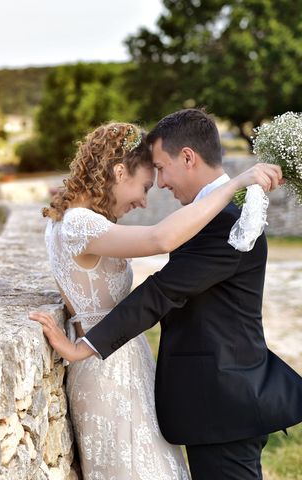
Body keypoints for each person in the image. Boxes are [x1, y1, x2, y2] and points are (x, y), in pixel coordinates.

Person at [29, 114, 287, 480]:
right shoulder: (80, 223)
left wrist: (84, 345)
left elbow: (162, 290)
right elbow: (159, 248)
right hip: (136, 375)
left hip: (223, 397)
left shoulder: (231, 220)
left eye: (161, 172)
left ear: (188, 157)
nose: (159, 187)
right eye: (149, 181)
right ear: (119, 172)